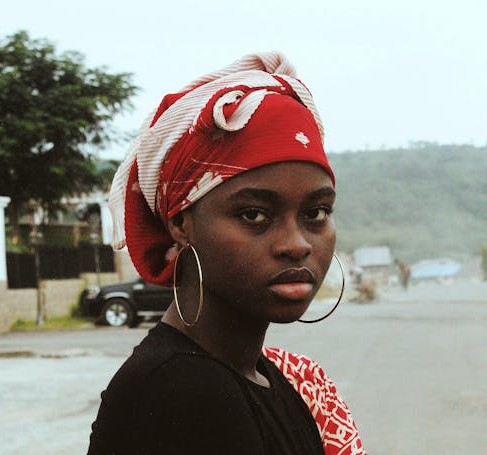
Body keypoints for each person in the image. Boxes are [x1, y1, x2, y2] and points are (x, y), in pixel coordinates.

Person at [88, 52, 366, 454]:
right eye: (254, 214)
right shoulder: (182, 391)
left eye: (316, 212)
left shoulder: (267, 378)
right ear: (180, 222)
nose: (297, 244)